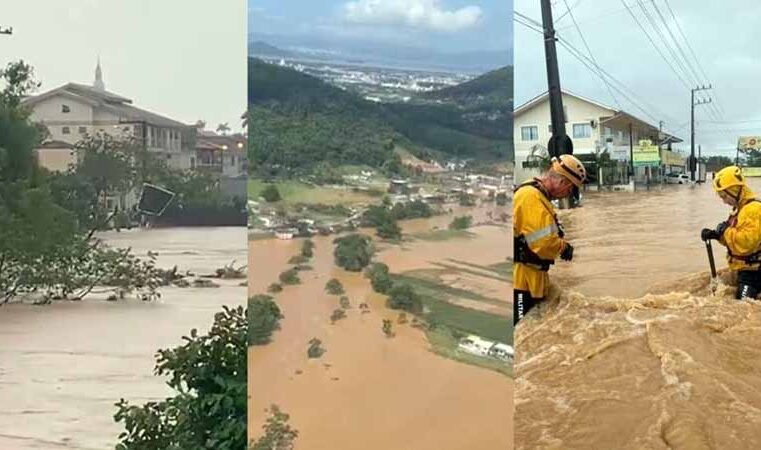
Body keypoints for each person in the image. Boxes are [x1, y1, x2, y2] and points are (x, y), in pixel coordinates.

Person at [513, 154, 587, 325]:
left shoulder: (537, 195)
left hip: (532, 277)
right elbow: (542, 242)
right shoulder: (530, 197)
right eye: (571, 188)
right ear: (562, 183)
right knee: (522, 328)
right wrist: (563, 247)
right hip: (522, 282)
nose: (569, 193)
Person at [701, 165, 761, 300]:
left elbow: (746, 244)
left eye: (724, 196)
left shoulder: (752, 210)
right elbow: (733, 240)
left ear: (735, 190)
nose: (724, 201)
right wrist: (717, 235)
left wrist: (726, 231)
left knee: (742, 307)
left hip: (754, 273)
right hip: (745, 270)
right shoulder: (740, 209)